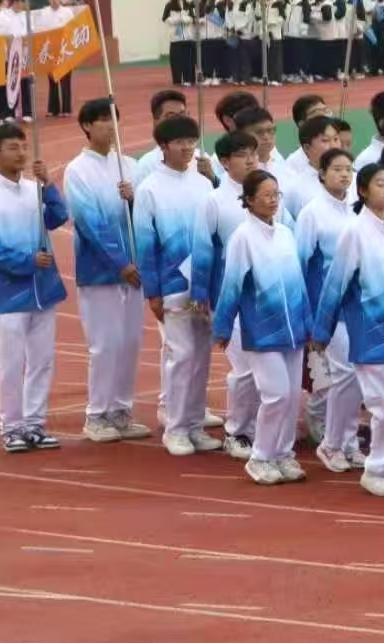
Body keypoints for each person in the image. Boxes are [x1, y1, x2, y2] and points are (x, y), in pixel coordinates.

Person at [311, 161, 384, 497]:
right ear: (363, 191)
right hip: (372, 334)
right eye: (380, 184)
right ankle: (376, 469)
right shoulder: (355, 232)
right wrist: (322, 331)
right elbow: (335, 285)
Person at [0, 123, 71, 452]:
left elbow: (59, 217)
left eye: (23, 146)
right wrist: (28, 261)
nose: (21, 153)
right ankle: (12, 427)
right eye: (12, 148)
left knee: (42, 360)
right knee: (10, 363)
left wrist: (48, 184)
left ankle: (35, 423)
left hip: (44, 290)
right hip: (9, 294)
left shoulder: (34, 190)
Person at [209, 170, 310, 484]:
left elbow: (298, 284)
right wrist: (223, 326)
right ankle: (261, 457)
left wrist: (307, 324)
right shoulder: (242, 238)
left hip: (293, 330)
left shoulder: (286, 234)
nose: (272, 200)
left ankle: (282, 454)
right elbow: (231, 285)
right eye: (266, 195)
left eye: (276, 194)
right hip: (262, 330)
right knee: (275, 395)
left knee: (291, 397)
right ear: (249, 200)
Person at [64, 98, 150, 444]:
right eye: (101, 120)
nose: (109, 126)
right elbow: (89, 222)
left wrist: (134, 198)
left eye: (113, 119)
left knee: (130, 342)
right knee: (104, 344)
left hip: (136, 270)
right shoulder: (77, 171)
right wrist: (120, 263)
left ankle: (120, 410)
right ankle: (96, 414)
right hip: (100, 272)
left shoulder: (129, 166)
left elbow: (146, 215)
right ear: (86, 126)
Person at [135, 113, 220, 455]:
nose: (187, 148)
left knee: (202, 357)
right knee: (181, 356)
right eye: (180, 142)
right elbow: (145, 246)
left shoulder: (204, 184)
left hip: (204, 283)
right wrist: (153, 292)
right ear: (163, 146)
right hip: (172, 284)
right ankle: (176, 428)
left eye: (191, 141)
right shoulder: (149, 190)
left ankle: (195, 424)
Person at [296, 148, 362, 469]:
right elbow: (300, 264)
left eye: (349, 168)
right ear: (322, 174)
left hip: (357, 308)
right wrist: (308, 316)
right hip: (328, 308)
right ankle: (332, 443)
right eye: (337, 169)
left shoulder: (358, 210)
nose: (344, 174)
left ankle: (349, 441)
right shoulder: (312, 213)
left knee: (356, 376)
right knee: (343, 375)